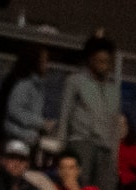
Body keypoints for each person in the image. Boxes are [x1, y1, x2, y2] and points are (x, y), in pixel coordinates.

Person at [51, 34, 122, 162]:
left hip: (105, 147)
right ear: (91, 60)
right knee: (81, 181)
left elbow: (115, 123)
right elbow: (65, 113)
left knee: (104, 182)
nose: (104, 66)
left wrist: (114, 155)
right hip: (81, 142)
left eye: (107, 62)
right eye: (100, 61)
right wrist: (61, 145)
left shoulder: (113, 89)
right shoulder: (75, 81)